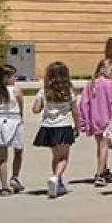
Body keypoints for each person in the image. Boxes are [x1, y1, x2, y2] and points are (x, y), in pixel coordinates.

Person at [34, 60, 81, 196]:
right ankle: (55, 177)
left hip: (48, 127)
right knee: (64, 157)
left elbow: (35, 110)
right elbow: (75, 111)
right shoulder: (69, 92)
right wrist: (77, 126)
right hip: (63, 126)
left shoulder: (44, 92)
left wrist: (42, 103)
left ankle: (58, 182)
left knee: (55, 156)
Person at [0, 64, 32, 195]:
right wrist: (21, 118)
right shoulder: (16, 90)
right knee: (18, 151)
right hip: (14, 119)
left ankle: (4, 186)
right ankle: (14, 176)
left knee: (2, 156)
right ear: (6, 78)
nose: (15, 78)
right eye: (14, 76)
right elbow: (20, 106)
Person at [79, 57, 112, 187]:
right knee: (104, 147)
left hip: (95, 119)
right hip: (107, 120)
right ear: (103, 70)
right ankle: (99, 174)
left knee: (100, 147)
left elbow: (83, 104)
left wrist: (84, 120)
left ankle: (104, 169)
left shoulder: (91, 84)